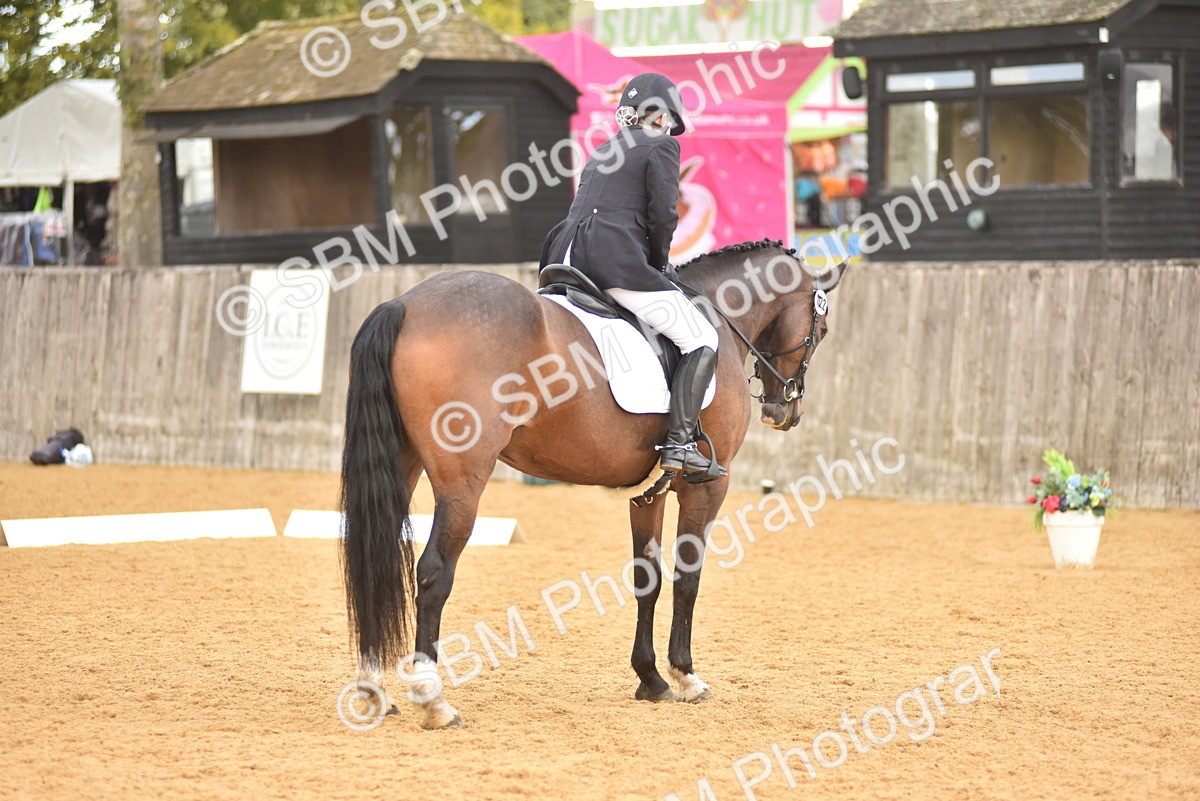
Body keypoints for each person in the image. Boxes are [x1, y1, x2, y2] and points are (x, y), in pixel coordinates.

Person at [540, 73, 724, 481]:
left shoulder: (604, 150)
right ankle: (679, 443)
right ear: (661, 117)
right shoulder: (662, 146)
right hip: (613, 260)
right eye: (668, 121)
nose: (668, 128)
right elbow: (663, 215)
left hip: (565, 256)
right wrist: (659, 265)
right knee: (702, 338)